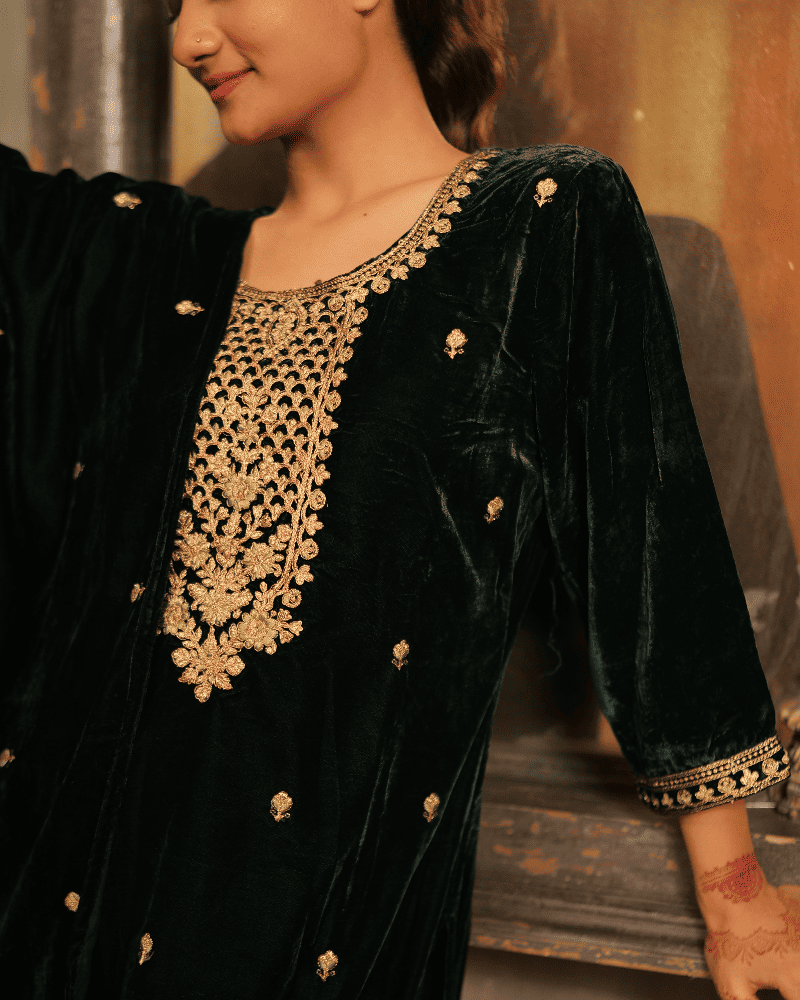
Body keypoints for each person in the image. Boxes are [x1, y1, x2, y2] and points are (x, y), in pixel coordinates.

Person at [0, 0, 796, 997]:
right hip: (62, 935)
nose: (188, 37)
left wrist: (734, 895)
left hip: (329, 950)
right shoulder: (154, 266)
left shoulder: (539, 222)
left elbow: (655, 561)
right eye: (171, 5)